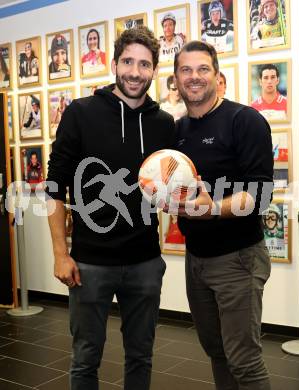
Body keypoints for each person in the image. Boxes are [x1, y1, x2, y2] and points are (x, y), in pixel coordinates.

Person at [46, 25, 175, 390]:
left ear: (154, 69)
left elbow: (170, 186)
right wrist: (60, 253)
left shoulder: (163, 124)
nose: (136, 72)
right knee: (85, 358)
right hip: (89, 262)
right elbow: (55, 186)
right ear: (114, 63)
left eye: (145, 64)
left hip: (145, 261)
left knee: (141, 356)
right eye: (128, 62)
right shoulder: (81, 113)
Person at [171, 40, 273, 390]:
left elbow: (260, 195)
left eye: (202, 69)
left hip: (237, 258)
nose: (194, 77)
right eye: (186, 70)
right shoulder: (178, 131)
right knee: (216, 351)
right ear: (175, 78)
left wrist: (212, 209)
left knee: (244, 360)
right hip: (195, 257)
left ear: (216, 75)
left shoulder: (245, 120)